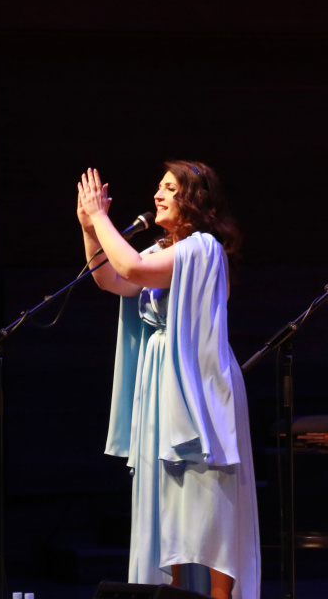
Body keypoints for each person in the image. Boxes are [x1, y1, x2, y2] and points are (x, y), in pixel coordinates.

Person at [77, 162, 260, 599]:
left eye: (169, 188)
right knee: (168, 495)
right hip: (161, 380)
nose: (157, 195)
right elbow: (110, 279)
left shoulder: (203, 248)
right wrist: (89, 229)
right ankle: (176, 590)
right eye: (159, 187)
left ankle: (221, 594)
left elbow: (133, 269)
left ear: (194, 200)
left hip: (198, 382)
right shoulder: (163, 249)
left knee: (208, 491)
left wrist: (101, 218)